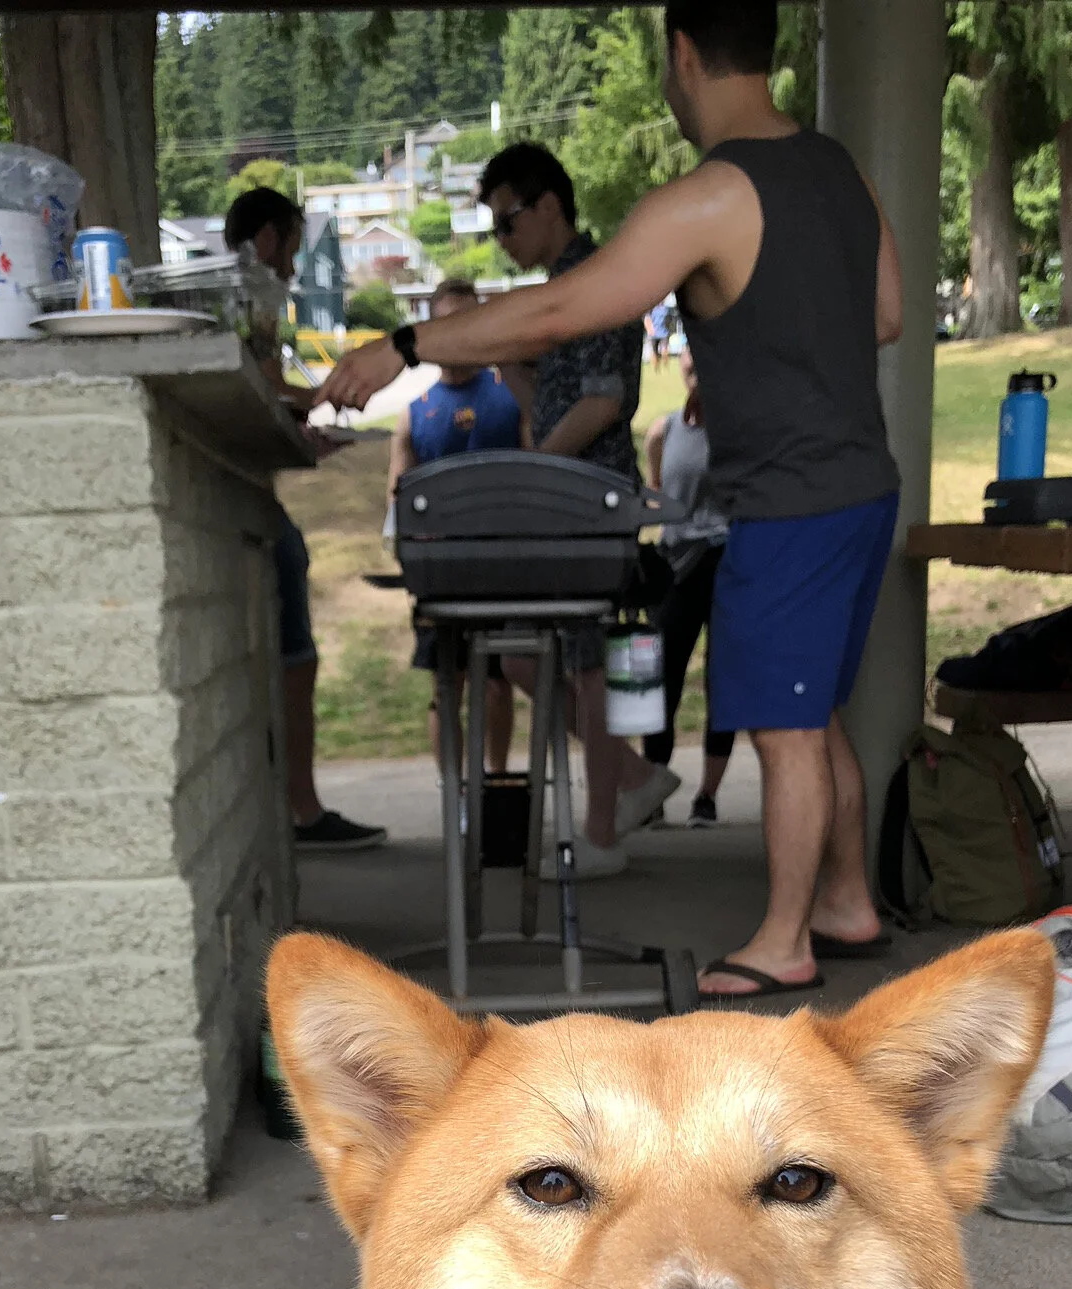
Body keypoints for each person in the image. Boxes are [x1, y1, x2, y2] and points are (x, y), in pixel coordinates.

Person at [317, 0, 902, 995]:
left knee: (788, 728)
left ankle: (783, 938)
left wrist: (401, 346)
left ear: (681, 56)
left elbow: (558, 309)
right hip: (861, 487)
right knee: (819, 711)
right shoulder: (840, 170)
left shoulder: (709, 196)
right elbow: (885, 313)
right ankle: (845, 901)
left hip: (790, 500)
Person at [474, 141, 678, 880]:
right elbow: (563, 402)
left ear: (548, 205)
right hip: (575, 493)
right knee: (540, 654)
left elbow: (603, 401)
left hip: (593, 497)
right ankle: (629, 779)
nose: (502, 240)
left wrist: (539, 469)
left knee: (591, 664)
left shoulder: (595, 285)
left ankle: (601, 832)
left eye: (507, 221)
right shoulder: (561, 290)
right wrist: (512, 375)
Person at [224, 188, 385, 851]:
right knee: (296, 646)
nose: (293, 266)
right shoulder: (250, 290)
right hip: (245, 503)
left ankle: (291, 802)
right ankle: (303, 808)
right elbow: (261, 387)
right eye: (291, 247)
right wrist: (324, 395)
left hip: (247, 491)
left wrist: (301, 427)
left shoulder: (233, 291)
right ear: (269, 238)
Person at [387, 277, 521, 774]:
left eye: (470, 322)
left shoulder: (512, 395)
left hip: (502, 565)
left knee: (497, 678)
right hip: (440, 571)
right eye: (450, 324)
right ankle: (455, 795)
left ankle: (500, 779)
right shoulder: (414, 413)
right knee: (447, 684)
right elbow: (396, 497)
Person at [641, 344, 735, 826]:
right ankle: (650, 793)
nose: (697, 373)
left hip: (725, 561)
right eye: (690, 364)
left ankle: (708, 796)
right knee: (659, 679)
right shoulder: (664, 430)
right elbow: (657, 497)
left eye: (705, 364)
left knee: (722, 677)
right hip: (676, 565)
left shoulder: (740, 432)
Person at [645, 298, 672, 365]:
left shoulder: (652, 309)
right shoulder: (666, 309)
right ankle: (663, 365)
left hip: (655, 333)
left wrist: (649, 329)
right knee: (662, 350)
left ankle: (657, 368)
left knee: (656, 352)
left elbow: (647, 319)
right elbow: (669, 321)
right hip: (661, 333)